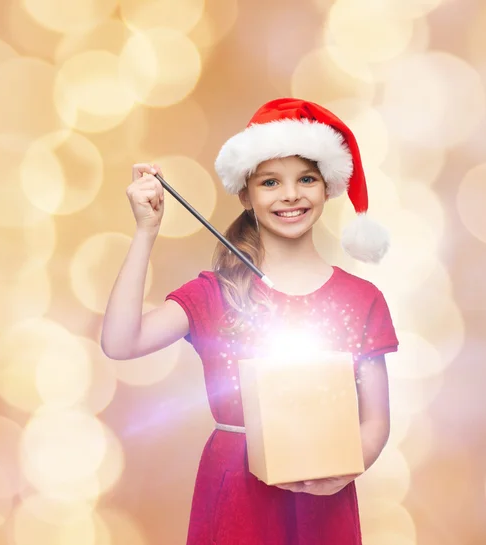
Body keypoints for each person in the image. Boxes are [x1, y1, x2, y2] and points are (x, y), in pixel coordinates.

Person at [101, 98, 399, 545]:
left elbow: (375, 420)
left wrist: (345, 470)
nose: (291, 195)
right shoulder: (214, 292)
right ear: (246, 194)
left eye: (306, 179)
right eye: (270, 182)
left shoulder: (362, 299)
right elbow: (121, 342)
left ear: (327, 188)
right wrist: (146, 231)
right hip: (236, 499)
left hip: (325, 498)